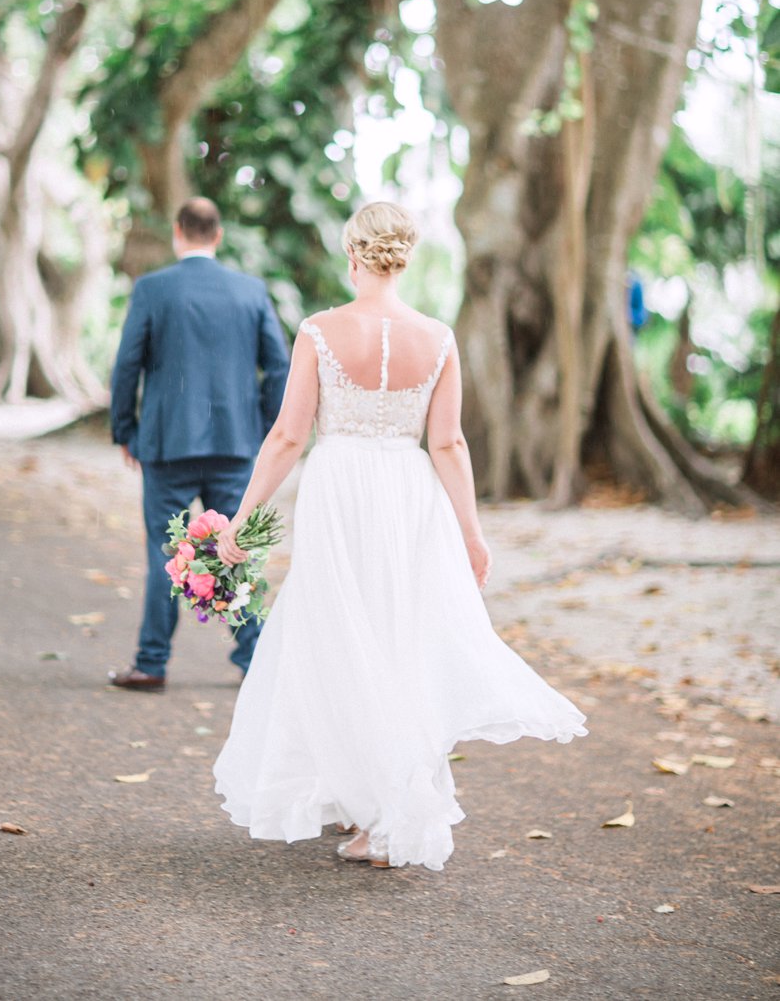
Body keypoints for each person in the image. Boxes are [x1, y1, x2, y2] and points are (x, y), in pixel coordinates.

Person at [213, 202, 587, 870]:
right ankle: (372, 805)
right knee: (397, 636)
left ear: (352, 254)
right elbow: (448, 440)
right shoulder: (437, 337)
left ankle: (383, 815)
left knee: (339, 636)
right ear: (402, 257)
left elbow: (288, 436)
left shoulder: (320, 331)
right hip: (408, 492)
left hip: (340, 488)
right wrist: (471, 531)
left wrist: (243, 516)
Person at [108, 197, 290, 691]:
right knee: (234, 552)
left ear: (177, 232)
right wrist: (268, 428)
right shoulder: (251, 291)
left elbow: (127, 364)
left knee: (163, 551)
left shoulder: (152, 289)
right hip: (235, 445)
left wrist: (125, 430)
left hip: (166, 446)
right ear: (219, 234)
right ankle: (254, 660)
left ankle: (151, 663)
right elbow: (279, 366)